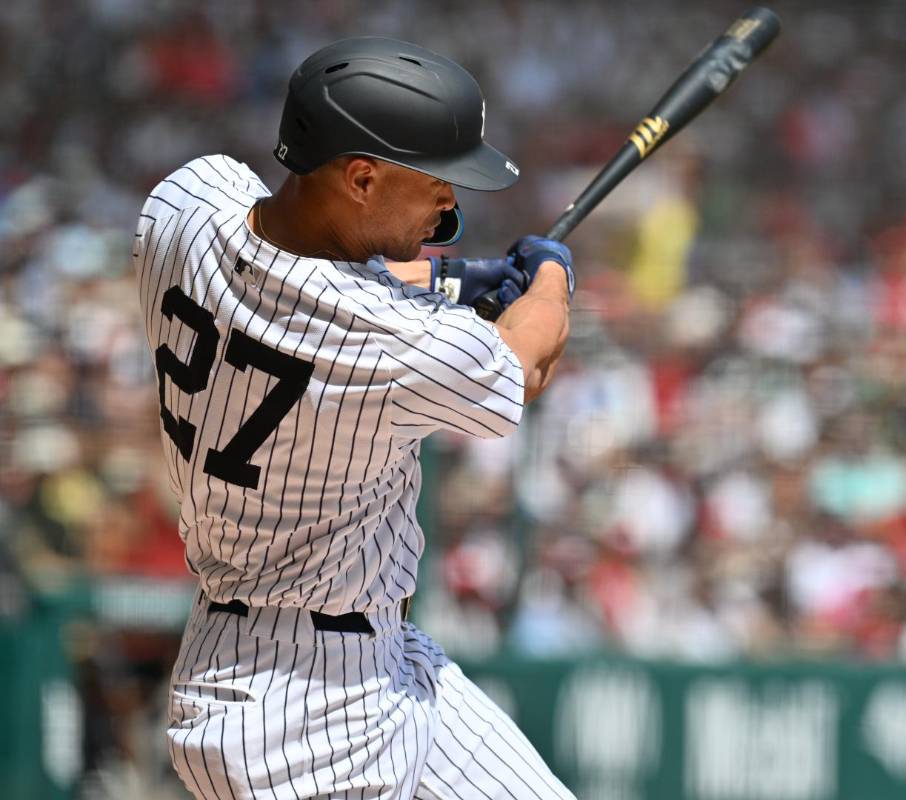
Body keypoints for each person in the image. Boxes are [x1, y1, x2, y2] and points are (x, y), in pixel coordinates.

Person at [132, 36, 574, 799]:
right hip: (295, 722)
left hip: (370, 658)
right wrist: (551, 275)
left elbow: (307, 261)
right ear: (361, 176)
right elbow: (524, 363)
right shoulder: (398, 343)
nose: (452, 204)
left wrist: (449, 279)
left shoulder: (187, 200)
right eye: (439, 180)